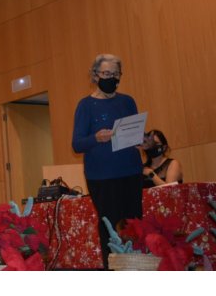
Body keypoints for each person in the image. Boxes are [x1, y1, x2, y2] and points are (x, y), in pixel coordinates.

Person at [72, 53, 142, 270]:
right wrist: (96, 138)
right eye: (106, 73)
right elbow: (77, 144)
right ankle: (113, 270)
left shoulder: (127, 101)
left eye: (115, 73)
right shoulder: (86, 105)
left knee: (135, 225)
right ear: (95, 75)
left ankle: (138, 268)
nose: (111, 78)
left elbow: (134, 132)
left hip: (131, 171)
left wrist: (144, 140)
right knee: (110, 225)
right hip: (102, 176)